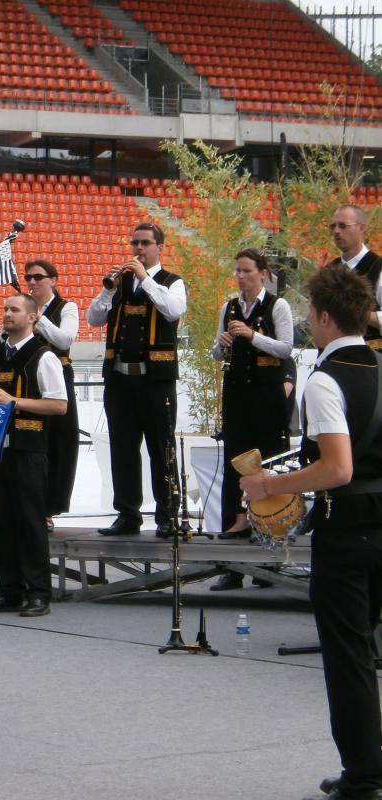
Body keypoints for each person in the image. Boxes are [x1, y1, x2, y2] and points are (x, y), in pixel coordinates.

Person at [241, 265, 382, 800]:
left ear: (324, 317)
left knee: (349, 657)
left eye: (309, 314)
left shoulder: (325, 378)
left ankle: (365, 775)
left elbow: (338, 468)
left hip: (348, 532)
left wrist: (271, 482)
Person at [87, 223, 187, 538]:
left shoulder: (172, 282)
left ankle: (168, 515)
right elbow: (94, 318)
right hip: (120, 380)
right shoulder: (121, 283)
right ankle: (127, 514)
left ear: (159, 247)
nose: (138, 249)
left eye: (145, 243)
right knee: (123, 449)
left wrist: (145, 278)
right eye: (135, 243)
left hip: (155, 381)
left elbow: (173, 310)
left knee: (161, 447)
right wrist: (108, 289)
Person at [0, 293, 67, 617]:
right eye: (6, 309)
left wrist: (15, 401)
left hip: (29, 449)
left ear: (32, 317)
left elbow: (59, 405)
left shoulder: (44, 357)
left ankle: (39, 592)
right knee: (1, 522)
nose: (7, 314)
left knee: (30, 522)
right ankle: (8, 590)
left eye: (15, 310)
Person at [211, 249, 293, 550]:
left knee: (268, 457)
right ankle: (235, 525)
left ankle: (270, 529)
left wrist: (251, 334)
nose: (241, 277)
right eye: (238, 271)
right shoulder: (229, 307)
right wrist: (221, 345)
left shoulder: (277, 305)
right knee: (236, 457)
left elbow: (286, 348)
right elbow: (217, 354)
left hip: (266, 392)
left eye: (247, 271)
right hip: (237, 391)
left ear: (263, 273)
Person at [24, 259, 80, 530]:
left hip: (58, 375)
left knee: (59, 441)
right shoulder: (23, 305)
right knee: (32, 440)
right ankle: (30, 503)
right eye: (29, 278)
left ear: (53, 280)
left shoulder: (66, 307)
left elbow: (64, 340)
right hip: (29, 379)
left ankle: (50, 505)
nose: (32, 283)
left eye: (38, 277)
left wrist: (38, 318)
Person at [327, 204, 381, 348]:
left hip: (371, 360)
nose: (336, 231)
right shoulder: (329, 270)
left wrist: (357, 311)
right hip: (335, 356)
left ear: (361, 228)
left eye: (343, 226)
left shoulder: (378, 268)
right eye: (334, 226)